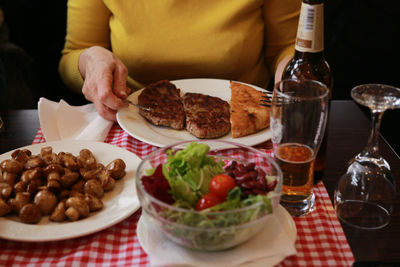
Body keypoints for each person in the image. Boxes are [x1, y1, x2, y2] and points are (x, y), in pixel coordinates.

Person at [58, 0, 301, 121]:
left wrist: (293, 81)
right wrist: (91, 62)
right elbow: (74, 53)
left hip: (246, 120)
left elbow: (285, 48)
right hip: (129, 118)